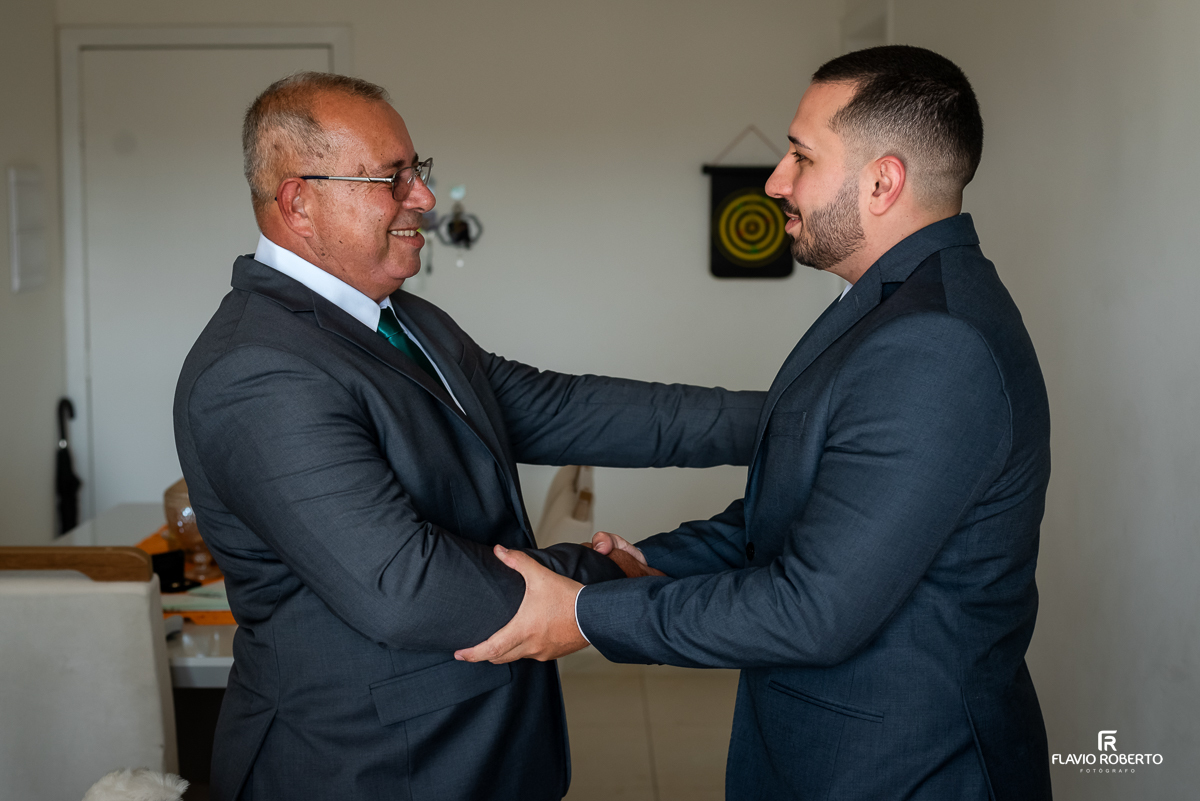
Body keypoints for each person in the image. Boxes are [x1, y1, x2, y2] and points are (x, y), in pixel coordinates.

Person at [457, 46, 1053, 800]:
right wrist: (647, 560)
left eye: (802, 156)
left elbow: (814, 609)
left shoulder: (937, 342)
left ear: (882, 181)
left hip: (902, 768)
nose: (775, 180)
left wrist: (587, 613)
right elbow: (793, 513)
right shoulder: (885, 306)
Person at [173, 72, 763, 801]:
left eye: (417, 171)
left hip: (485, 746)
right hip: (368, 766)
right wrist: (608, 579)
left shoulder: (406, 319)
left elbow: (567, 407)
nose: (421, 197)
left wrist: (792, 418)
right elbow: (404, 583)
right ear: (300, 200)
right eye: (393, 178)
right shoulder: (256, 368)